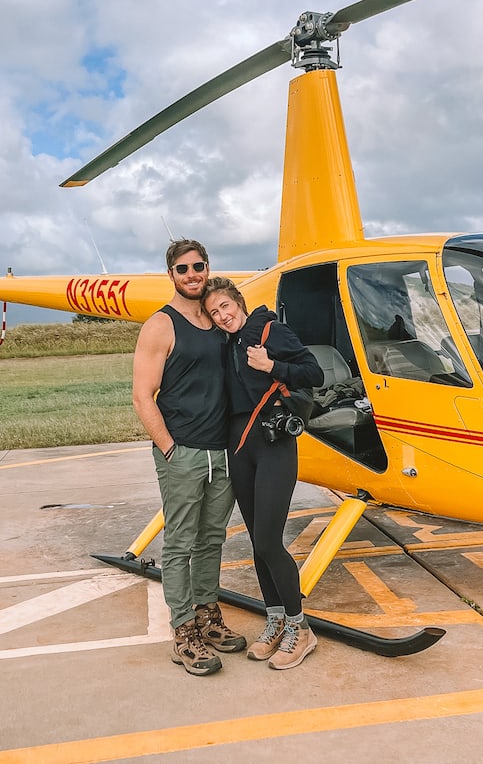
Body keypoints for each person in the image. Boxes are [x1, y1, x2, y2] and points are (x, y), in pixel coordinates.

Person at [132, 239, 247, 676]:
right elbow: (143, 396)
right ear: (171, 275)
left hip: (222, 450)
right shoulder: (160, 325)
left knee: (212, 538)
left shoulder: (219, 319)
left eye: (199, 266)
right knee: (180, 543)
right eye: (183, 269)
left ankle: (207, 615)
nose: (192, 274)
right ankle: (183, 632)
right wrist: (169, 448)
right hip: (182, 450)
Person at [202, 276, 324, 670]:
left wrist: (273, 364)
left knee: (271, 540)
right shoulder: (225, 344)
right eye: (214, 312)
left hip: (274, 444)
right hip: (240, 447)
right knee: (257, 542)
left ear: (239, 301)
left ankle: (300, 628)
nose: (222, 316)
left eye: (226, 306)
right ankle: (275, 621)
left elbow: (314, 373)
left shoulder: (270, 330)